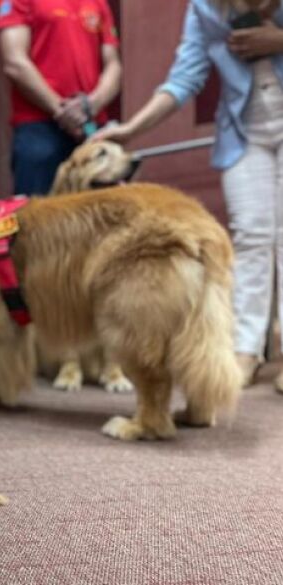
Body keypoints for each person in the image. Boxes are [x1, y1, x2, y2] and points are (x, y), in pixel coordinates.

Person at [95, 0, 283, 392]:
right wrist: (131, 129)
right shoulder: (205, 9)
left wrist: (278, 40)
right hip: (244, 132)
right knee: (251, 235)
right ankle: (245, 348)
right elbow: (183, 79)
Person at [0, 0, 122, 194]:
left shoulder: (98, 3)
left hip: (92, 129)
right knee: (38, 216)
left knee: (99, 217)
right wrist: (60, 109)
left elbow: (113, 64)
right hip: (39, 128)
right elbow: (15, 62)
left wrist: (93, 104)